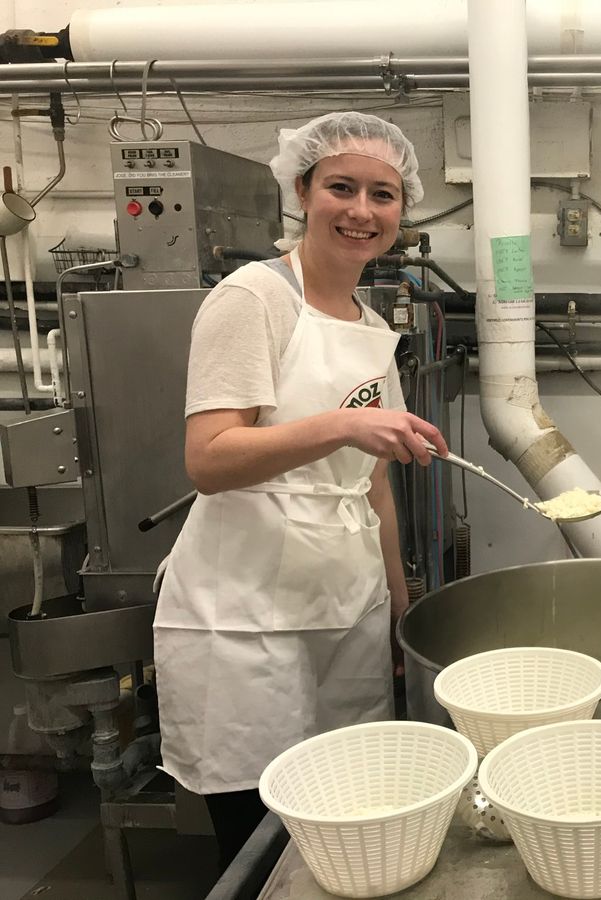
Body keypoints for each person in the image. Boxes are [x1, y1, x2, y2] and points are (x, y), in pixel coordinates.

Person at [152, 111, 449, 868]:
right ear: (302, 189)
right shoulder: (254, 298)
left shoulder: (371, 326)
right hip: (246, 618)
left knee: (346, 821)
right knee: (262, 838)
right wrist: (340, 427)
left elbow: (372, 487)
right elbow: (210, 459)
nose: (361, 211)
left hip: (345, 612)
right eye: (341, 188)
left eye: (382, 195)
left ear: (401, 213)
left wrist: (397, 601)